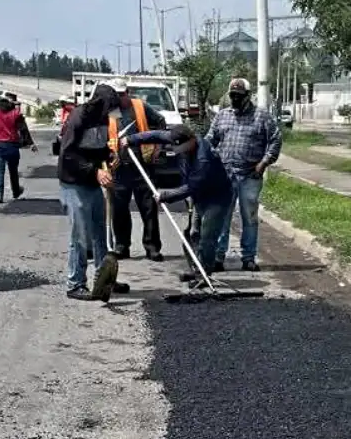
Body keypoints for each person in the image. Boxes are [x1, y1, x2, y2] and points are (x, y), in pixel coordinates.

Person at [125, 124, 233, 289]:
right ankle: (197, 270)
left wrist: (165, 196)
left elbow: (191, 187)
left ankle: (205, 273)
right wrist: (130, 140)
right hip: (200, 196)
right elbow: (155, 135)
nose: (177, 151)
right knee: (191, 234)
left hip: (217, 198)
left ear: (190, 141)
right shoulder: (177, 137)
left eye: (180, 148)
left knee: (207, 236)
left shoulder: (203, 159)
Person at [57, 83, 130, 301]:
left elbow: (97, 146)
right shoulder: (78, 118)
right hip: (74, 184)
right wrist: (95, 172)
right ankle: (75, 283)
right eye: (110, 107)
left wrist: (109, 156)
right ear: (101, 104)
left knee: (101, 233)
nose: (111, 113)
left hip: (91, 183)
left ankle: (104, 278)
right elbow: (68, 155)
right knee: (80, 235)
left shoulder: (102, 119)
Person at [206, 78, 283, 272]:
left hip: (250, 175)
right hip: (225, 174)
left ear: (248, 96)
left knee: (249, 217)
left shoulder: (261, 117)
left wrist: (264, 162)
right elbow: (210, 140)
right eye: (232, 95)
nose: (235, 99)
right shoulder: (222, 116)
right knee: (223, 217)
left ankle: (248, 258)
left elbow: (275, 140)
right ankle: (218, 257)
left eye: (239, 96)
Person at [105, 79, 166, 261]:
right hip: (119, 167)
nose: (119, 97)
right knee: (120, 210)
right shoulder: (110, 111)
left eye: (122, 94)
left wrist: (158, 148)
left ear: (128, 92)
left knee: (149, 208)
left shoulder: (140, 106)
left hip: (143, 167)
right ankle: (122, 246)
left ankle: (152, 246)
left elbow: (161, 122)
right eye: (115, 94)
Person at [0, 92, 36, 203]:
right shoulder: (16, 113)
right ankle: (16, 191)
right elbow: (23, 130)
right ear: (12, 103)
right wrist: (31, 143)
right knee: (13, 170)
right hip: (12, 146)